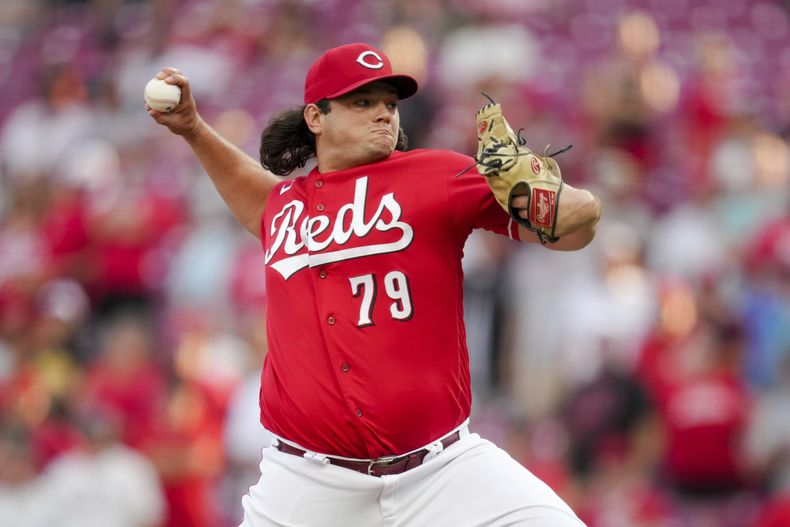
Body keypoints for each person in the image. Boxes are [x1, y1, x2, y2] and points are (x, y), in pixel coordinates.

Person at [147, 42, 600, 527]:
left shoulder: (436, 174)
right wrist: (193, 128)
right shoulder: (285, 208)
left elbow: (577, 228)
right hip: (308, 483)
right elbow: (257, 195)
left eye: (389, 103)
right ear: (316, 118)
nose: (383, 113)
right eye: (361, 102)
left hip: (443, 471)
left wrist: (552, 196)